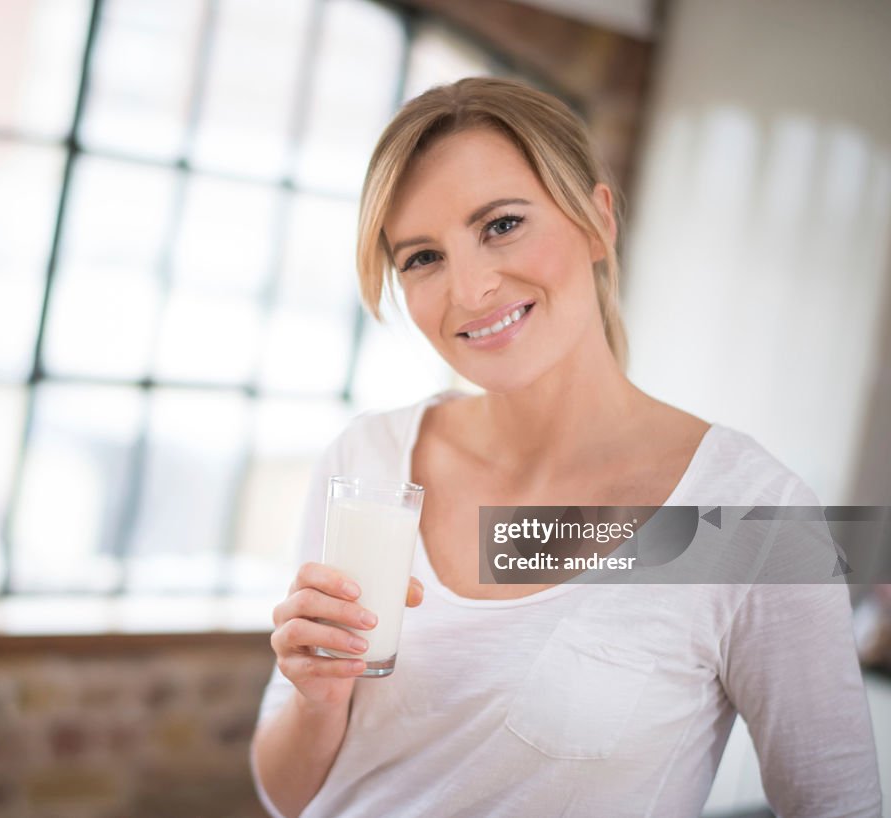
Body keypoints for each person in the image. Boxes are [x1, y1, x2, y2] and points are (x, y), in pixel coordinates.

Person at [250, 77, 882, 817]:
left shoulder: (745, 517)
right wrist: (319, 697)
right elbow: (286, 795)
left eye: (501, 225)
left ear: (596, 221)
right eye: (422, 257)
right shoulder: (368, 462)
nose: (470, 288)